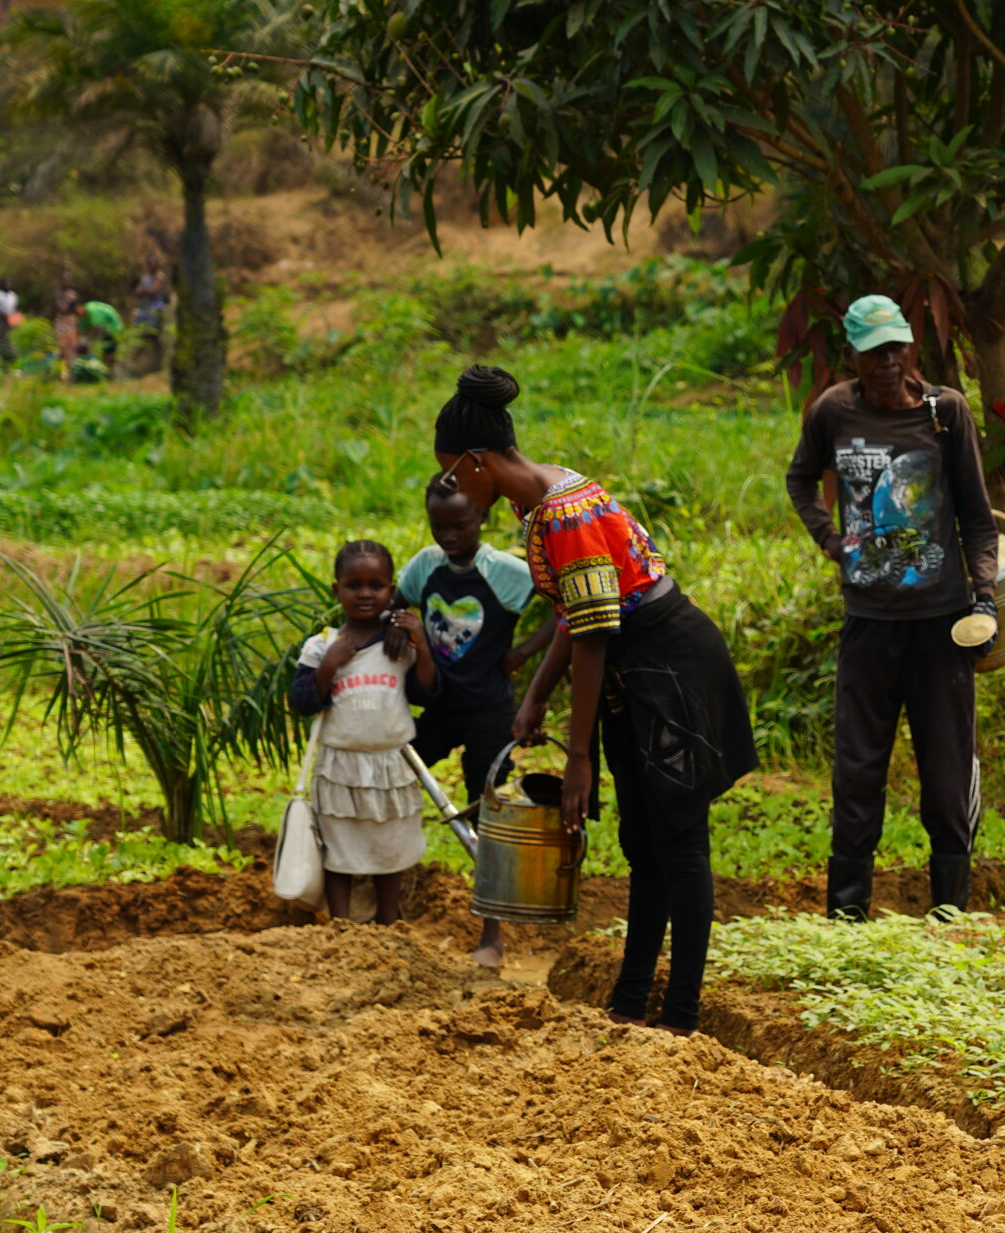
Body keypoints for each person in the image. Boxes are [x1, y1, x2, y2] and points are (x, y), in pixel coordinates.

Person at [433, 365, 755, 1031]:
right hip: (631, 671)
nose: (450, 489)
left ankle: (683, 1015)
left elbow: (595, 635)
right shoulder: (543, 497)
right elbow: (578, 617)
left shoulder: (563, 516)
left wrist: (579, 757)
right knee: (643, 839)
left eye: (451, 473)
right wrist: (535, 698)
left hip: (668, 668)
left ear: (477, 462)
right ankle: (632, 1001)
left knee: (681, 840)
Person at [783, 294, 999, 921]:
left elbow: (979, 522)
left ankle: (950, 914)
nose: (886, 361)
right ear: (852, 353)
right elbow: (800, 479)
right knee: (857, 774)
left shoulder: (944, 413)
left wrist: (983, 600)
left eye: (896, 347)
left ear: (911, 348)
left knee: (947, 774)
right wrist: (829, 538)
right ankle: (848, 917)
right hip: (870, 624)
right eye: (873, 350)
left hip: (940, 625)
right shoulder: (834, 412)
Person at [397, 476, 555, 968]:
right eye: (438, 526)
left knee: (486, 811)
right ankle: (380, 895)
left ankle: (492, 936)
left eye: (460, 525)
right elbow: (395, 603)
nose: (449, 535)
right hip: (439, 706)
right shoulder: (425, 568)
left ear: (482, 519)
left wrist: (525, 651)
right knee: (394, 774)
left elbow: (565, 605)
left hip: (489, 709)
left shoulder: (505, 572)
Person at [290, 541, 438, 923]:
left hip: (391, 765)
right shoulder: (322, 646)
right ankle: (341, 926)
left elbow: (426, 691)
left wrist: (421, 646)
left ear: (392, 591)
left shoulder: (398, 644)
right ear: (336, 590)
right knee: (340, 849)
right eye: (353, 585)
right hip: (341, 766)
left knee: (389, 847)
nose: (365, 594)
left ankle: (389, 922)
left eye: (376, 585)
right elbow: (301, 700)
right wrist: (329, 667)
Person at [51, 274, 81, 382]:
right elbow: (61, 308)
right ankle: (61, 372)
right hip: (61, 321)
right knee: (61, 347)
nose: (66, 282)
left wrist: (77, 310)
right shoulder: (58, 293)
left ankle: (71, 372)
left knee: (72, 347)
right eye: (64, 280)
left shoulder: (73, 294)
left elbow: (77, 309)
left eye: (68, 280)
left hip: (71, 321)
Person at [0, 278, 20, 370]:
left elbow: (15, 308)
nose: (8, 286)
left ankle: (12, 359)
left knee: (10, 339)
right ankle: (4, 362)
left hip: (11, 319)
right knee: (1, 340)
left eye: (9, 284)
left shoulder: (13, 296)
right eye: (6, 284)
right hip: (1, 319)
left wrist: (16, 320)